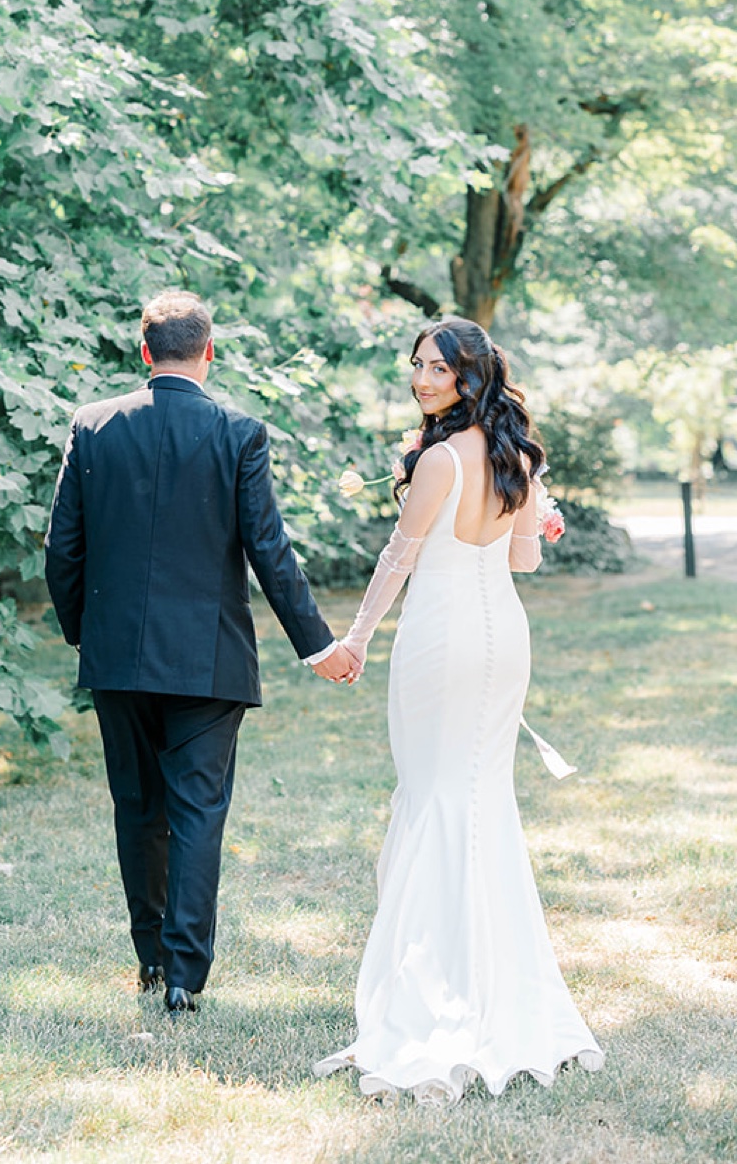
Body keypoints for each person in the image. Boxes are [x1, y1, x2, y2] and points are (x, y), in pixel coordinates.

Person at [315, 316, 603, 1103]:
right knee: (476, 796)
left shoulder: (440, 459)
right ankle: (494, 985)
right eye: (417, 366)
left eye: (437, 369)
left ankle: (436, 992)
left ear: (469, 378)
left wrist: (358, 636)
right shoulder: (517, 456)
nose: (422, 378)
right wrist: (535, 514)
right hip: (503, 632)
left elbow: (399, 556)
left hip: (443, 634)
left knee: (440, 796)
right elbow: (524, 558)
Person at [44, 288, 356, 1014]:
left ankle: (151, 960)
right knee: (197, 814)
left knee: (136, 808)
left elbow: (62, 548)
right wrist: (318, 647)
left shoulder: (91, 427)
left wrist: (83, 631)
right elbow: (269, 551)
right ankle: (184, 978)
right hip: (209, 660)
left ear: (144, 352)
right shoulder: (239, 432)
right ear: (208, 353)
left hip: (118, 657)